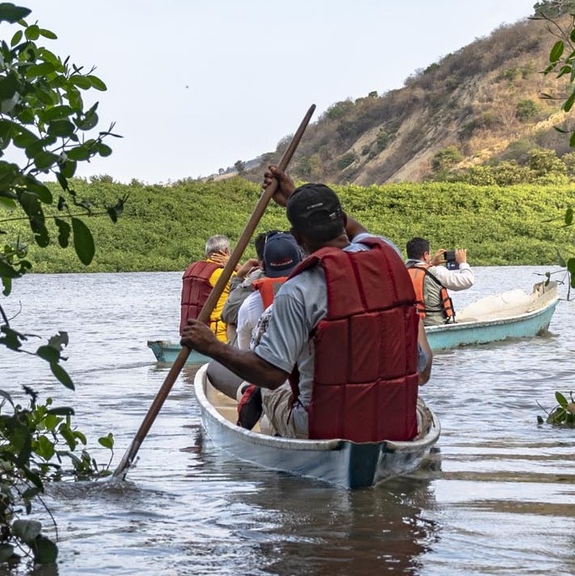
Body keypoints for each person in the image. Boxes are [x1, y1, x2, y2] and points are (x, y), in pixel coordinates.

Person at [182, 169, 432, 441]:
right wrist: (293, 196)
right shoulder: (387, 253)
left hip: (322, 426)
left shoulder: (297, 290)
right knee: (416, 393)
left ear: (297, 238)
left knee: (265, 389)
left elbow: (271, 374)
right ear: (342, 220)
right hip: (397, 420)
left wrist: (211, 346)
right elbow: (356, 229)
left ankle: (260, 415)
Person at [234, 231, 303, 351]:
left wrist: (238, 278)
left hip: (268, 365)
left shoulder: (249, 305)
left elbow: (244, 351)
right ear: (301, 260)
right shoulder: (318, 289)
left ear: (263, 265)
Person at [405, 237, 475, 326]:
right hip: (433, 323)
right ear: (425, 254)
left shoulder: (400, 272)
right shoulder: (437, 272)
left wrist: (431, 264)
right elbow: (468, 281)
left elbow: (418, 272)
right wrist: (463, 262)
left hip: (409, 325)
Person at [220, 230, 270, 345]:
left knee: (232, 323)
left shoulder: (258, 276)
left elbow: (227, 314)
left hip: (255, 352)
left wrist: (239, 276)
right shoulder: (302, 274)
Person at [179, 235, 231, 343]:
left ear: (207, 253)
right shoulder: (227, 275)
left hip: (190, 334)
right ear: (226, 251)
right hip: (217, 338)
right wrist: (234, 265)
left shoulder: (190, 270)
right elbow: (252, 286)